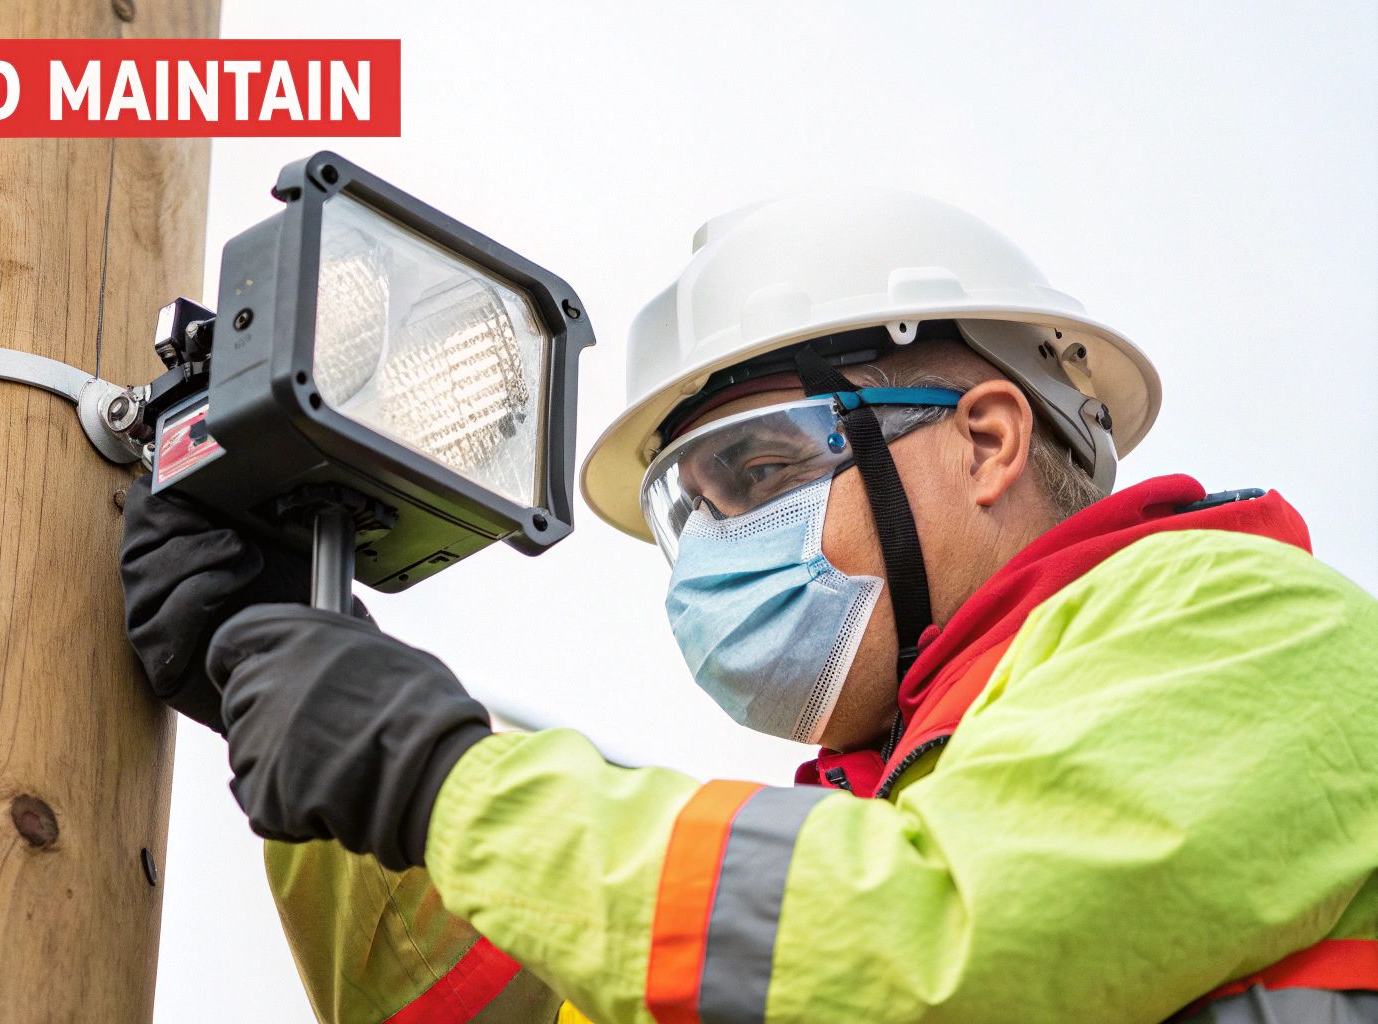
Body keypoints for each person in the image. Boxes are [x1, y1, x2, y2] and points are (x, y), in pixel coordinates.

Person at [121, 189, 1378, 1023]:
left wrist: (436, 773)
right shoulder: (873, 813)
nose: (723, 549)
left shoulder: (1245, 620)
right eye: (689, 507)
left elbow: (928, 954)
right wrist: (300, 705)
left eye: (763, 473)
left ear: (987, 440)